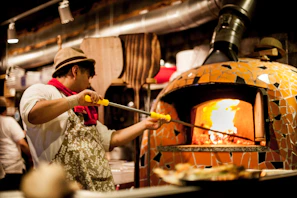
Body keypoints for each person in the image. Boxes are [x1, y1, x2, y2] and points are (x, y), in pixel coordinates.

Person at [19, 47, 167, 192]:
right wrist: (76, 100)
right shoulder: (43, 91)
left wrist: (144, 124)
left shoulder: (82, 107)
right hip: (64, 192)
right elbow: (33, 114)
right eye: (89, 76)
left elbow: (112, 139)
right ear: (75, 71)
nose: (90, 82)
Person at [0, 97, 32, 191]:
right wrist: (30, 156)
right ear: (5, 109)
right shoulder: (8, 121)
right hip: (12, 167)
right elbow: (22, 144)